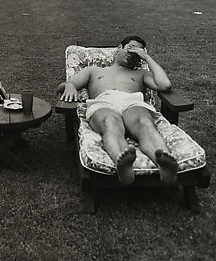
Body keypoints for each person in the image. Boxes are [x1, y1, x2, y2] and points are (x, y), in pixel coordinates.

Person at [57, 35, 178, 186]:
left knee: (144, 122)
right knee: (110, 122)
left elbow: (165, 85)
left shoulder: (140, 73)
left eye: (137, 51)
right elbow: (66, 85)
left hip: (132, 102)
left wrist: (147, 58)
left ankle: (164, 166)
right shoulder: (94, 70)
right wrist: (69, 86)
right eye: (131, 47)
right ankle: (122, 163)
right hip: (103, 102)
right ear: (119, 48)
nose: (133, 53)